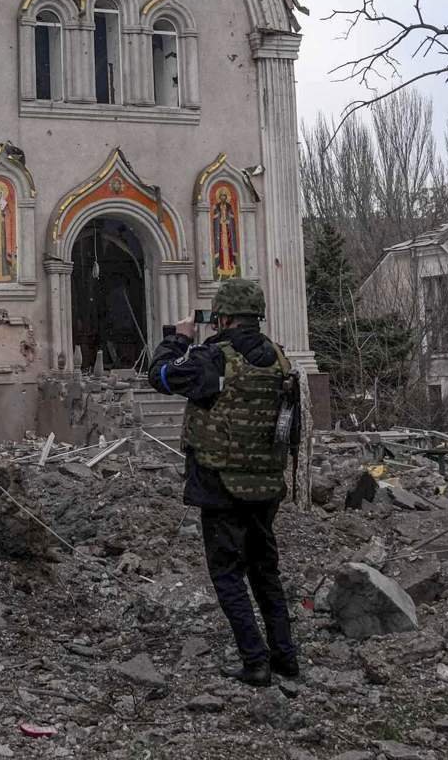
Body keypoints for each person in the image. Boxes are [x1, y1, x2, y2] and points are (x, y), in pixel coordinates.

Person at [145, 277, 302, 686]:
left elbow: (159, 376)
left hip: (221, 483)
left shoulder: (212, 359)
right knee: (265, 572)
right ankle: (286, 657)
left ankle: (255, 662)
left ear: (223, 317)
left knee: (228, 573)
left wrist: (178, 339)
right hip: (266, 484)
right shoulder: (279, 359)